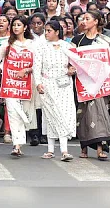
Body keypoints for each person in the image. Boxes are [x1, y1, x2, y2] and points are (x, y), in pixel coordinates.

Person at [72, 9, 110, 160]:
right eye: (82, 19)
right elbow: (70, 60)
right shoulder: (77, 40)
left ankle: (100, 148)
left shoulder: (105, 41)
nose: (84, 22)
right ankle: (84, 148)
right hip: (82, 84)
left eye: (87, 19)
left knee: (99, 114)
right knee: (83, 115)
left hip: (100, 83)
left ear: (96, 21)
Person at [34, 20, 76, 161]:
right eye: (45, 31)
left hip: (64, 84)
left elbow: (75, 63)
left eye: (49, 31)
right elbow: (36, 66)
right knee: (49, 115)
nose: (46, 33)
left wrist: (71, 69)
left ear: (57, 32)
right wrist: (38, 82)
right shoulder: (41, 47)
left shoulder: (67, 46)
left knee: (63, 114)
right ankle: (50, 149)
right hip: (47, 83)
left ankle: (64, 150)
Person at [0, 16, 37, 158]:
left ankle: (20, 140)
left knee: (24, 114)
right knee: (13, 113)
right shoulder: (7, 44)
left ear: (25, 27)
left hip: (27, 84)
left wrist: (27, 70)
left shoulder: (32, 44)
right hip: (10, 84)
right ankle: (17, 145)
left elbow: (38, 65)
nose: (15, 27)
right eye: (14, 25)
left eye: (19, 25)